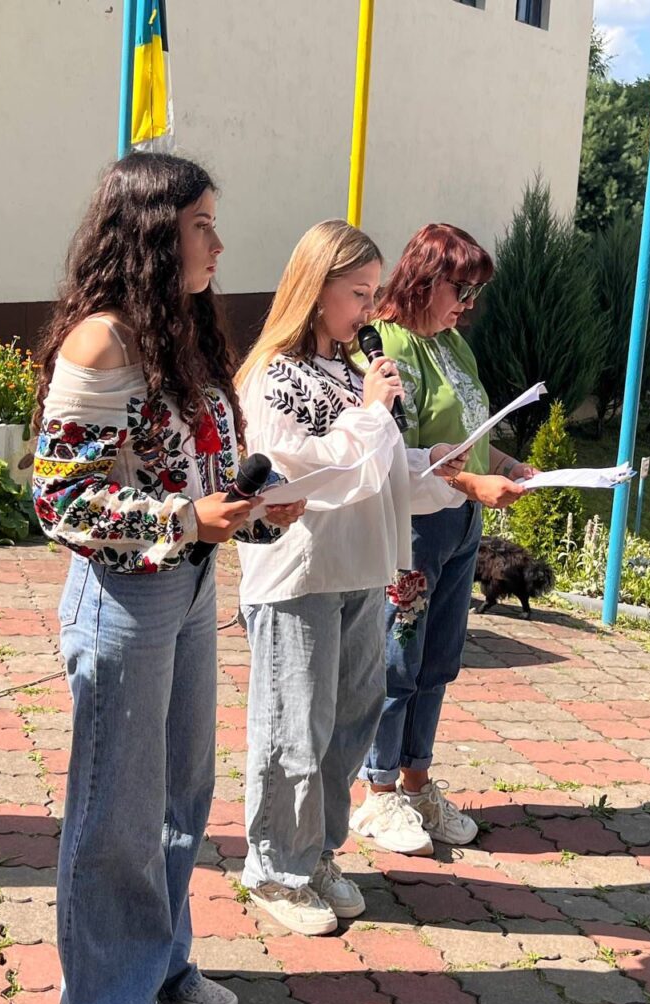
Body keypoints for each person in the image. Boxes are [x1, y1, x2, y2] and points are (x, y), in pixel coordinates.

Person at [32, 152, 304, 1004]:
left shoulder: (180, 331)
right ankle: (107, 1002)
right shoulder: (102, 340)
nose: (218, 245)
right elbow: (60, 499)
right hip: (123, 601)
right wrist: (187, 519)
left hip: (190, 590)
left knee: (182, 793)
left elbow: (202, 473)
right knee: (118, 811)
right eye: (201, 226)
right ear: (152, 234)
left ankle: (159, 963)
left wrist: (256, 513)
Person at [234, 220, 468, 936]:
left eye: (373, 293)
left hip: (362, 570)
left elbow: (376, 472)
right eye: (358, 294)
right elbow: (308, 474)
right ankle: (276, 867)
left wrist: (443, 468)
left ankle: (318, 854)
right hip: (300, 573)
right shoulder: (273, 376)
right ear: (315, 289)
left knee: (349, 722)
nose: (370, 311)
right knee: (295, 728)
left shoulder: (347, 371)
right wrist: (371, 412)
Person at [351, 223, 536, 856]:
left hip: (460, 522)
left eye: (476, 292)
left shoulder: (452, 344)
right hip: (413, 525)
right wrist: (472, 481)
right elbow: (392, 449)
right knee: (397, 658)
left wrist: (506, 465)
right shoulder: (383, 345)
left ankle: (417, 780)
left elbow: (468, 434)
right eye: (461, 289)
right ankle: (378, 791)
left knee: (438, 660)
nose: (469, 305)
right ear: (425, 279)